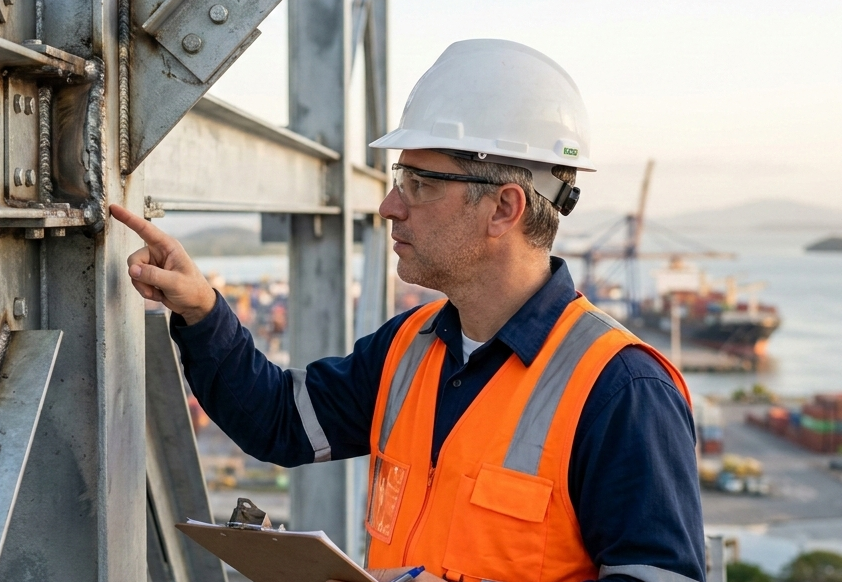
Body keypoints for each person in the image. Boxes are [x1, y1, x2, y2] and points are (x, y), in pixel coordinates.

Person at [111, 39, 705, 582]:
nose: (389, 206)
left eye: (419, 183)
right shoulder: (411, 347)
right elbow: (281, 422)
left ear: (504, 207)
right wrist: (202, 311)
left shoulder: (622, 390)